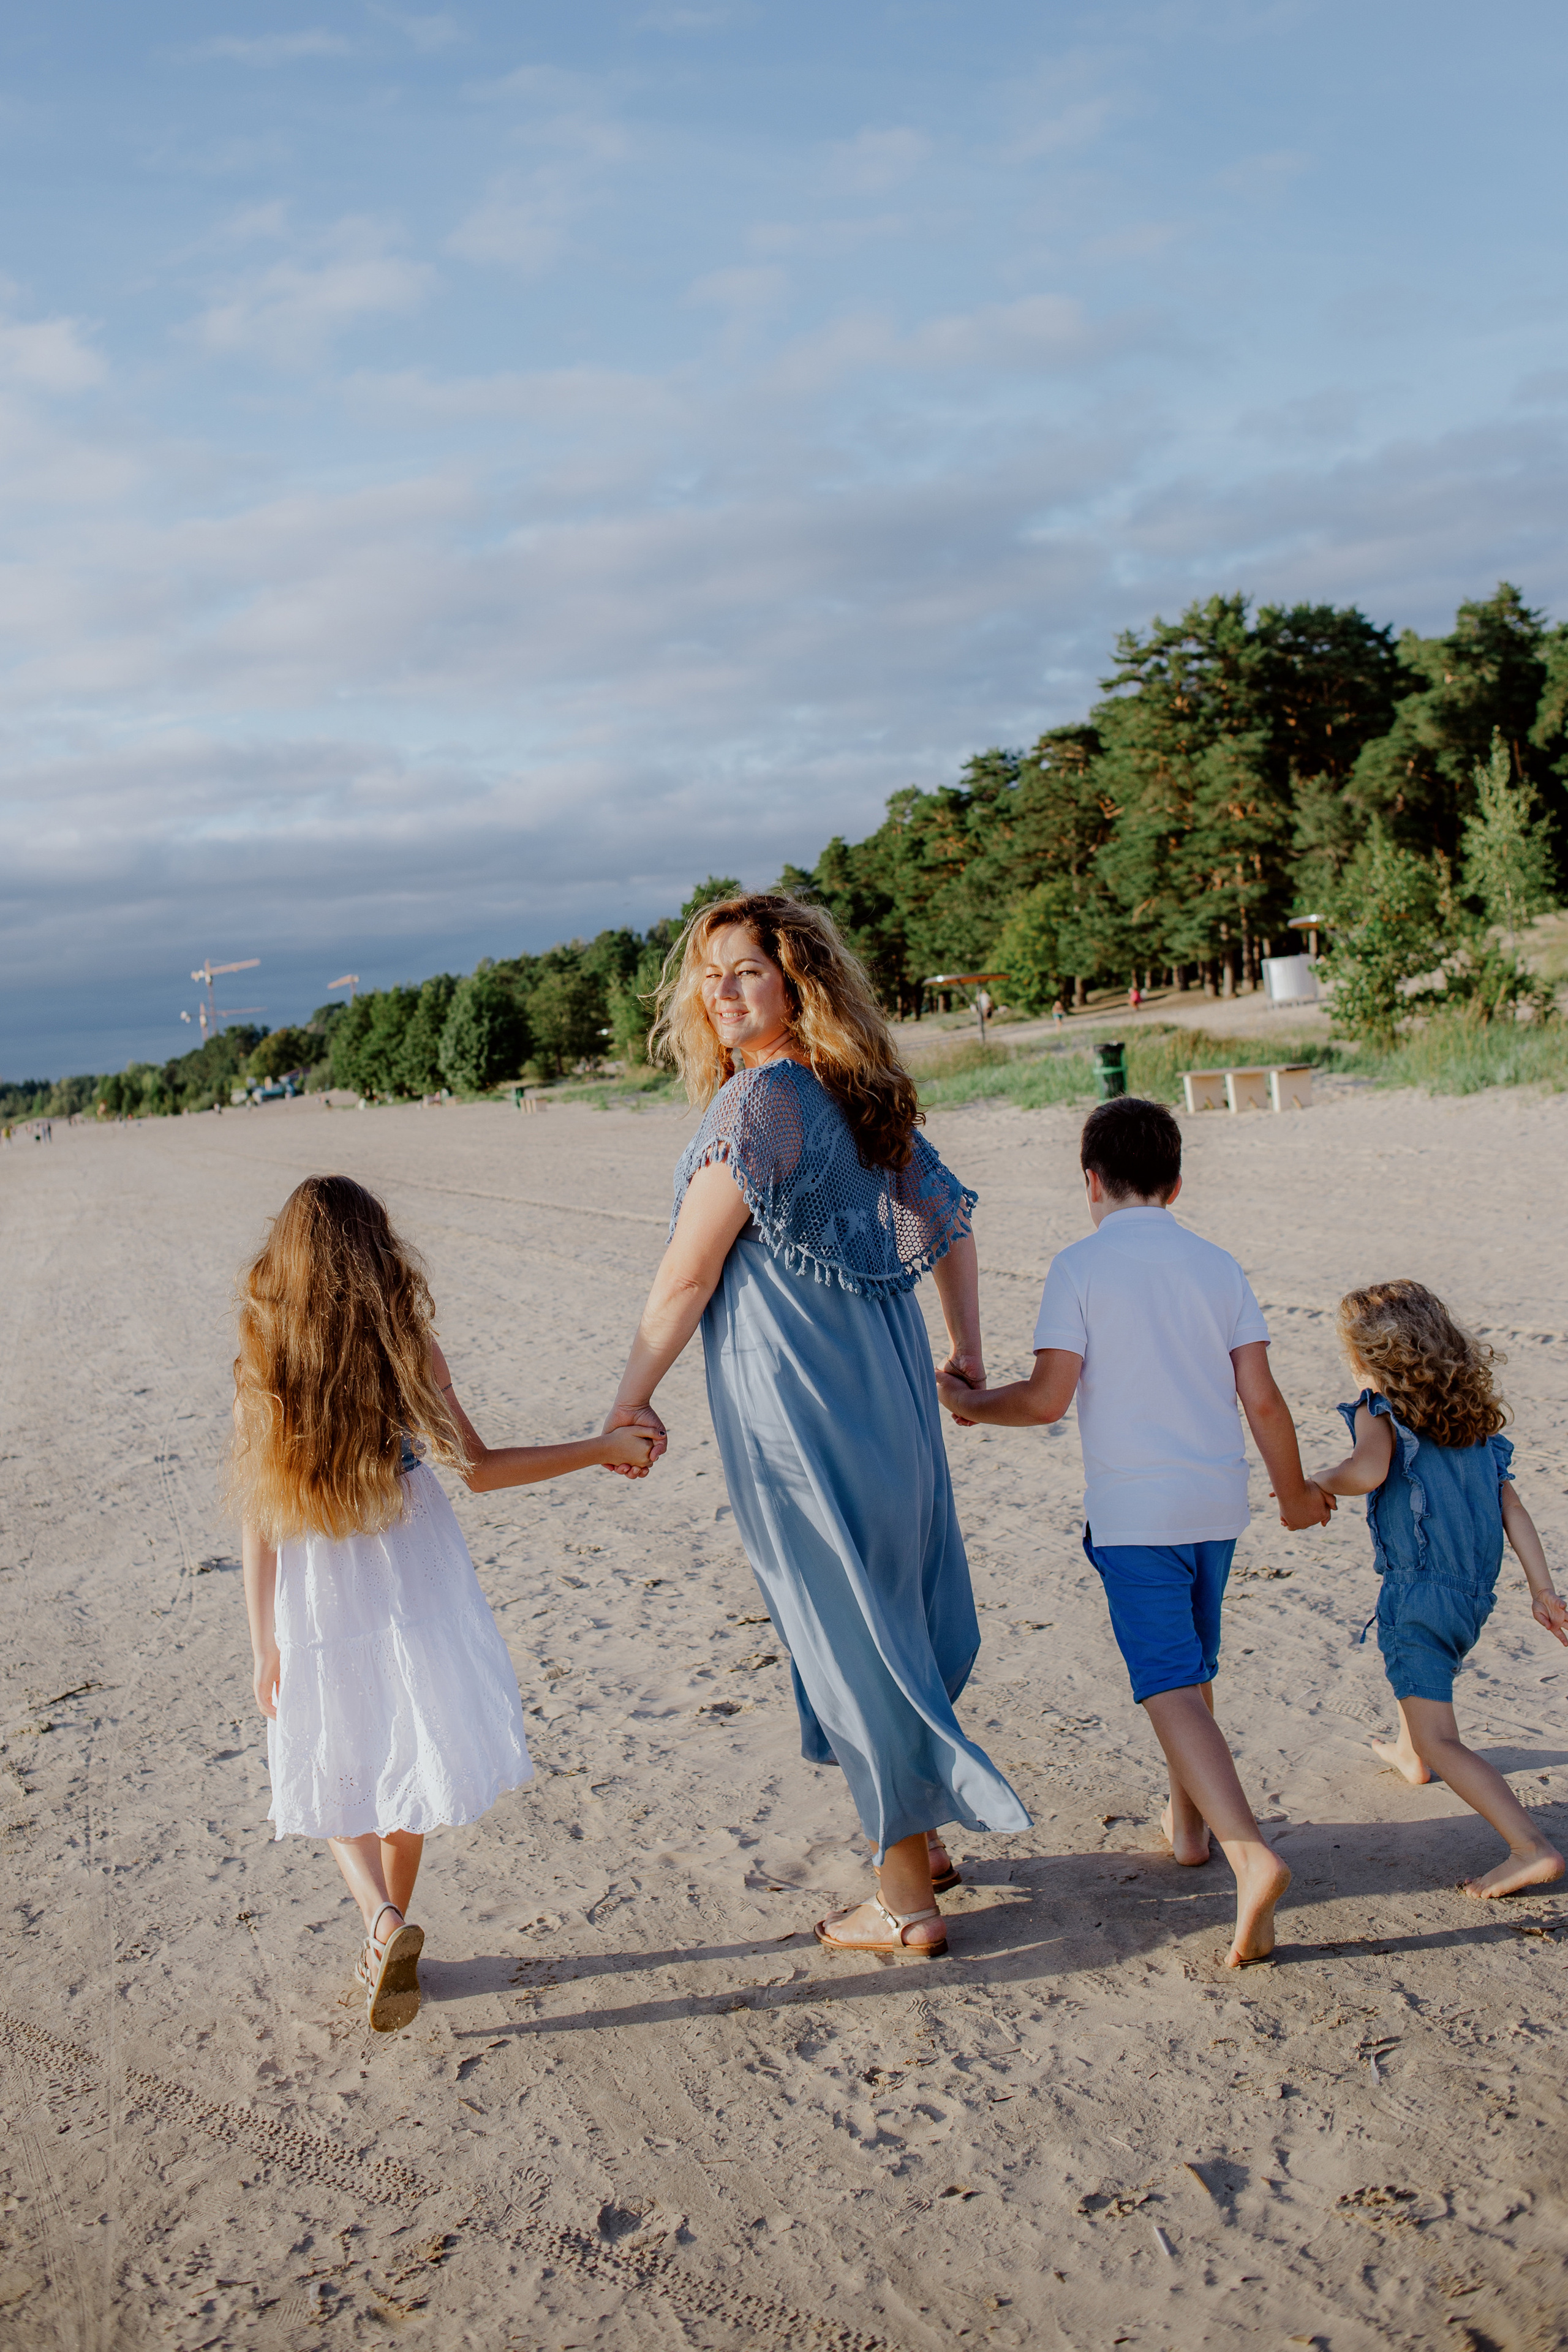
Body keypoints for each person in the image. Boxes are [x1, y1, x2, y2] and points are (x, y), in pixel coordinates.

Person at [602, 894, 1029, 1959]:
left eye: (746, 970)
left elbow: (688, 1274)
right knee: (892, 1602)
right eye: (710, 974)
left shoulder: (762, 1105)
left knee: (844, 1619)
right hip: (886, 1394)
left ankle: (904, 1904)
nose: (723, 992)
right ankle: (923, 1845)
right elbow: (954, 1222)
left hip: (797, 1398)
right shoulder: (858, 1091)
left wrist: (629, 1395)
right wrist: (966, 1348)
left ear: (797, 980)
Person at [231, 1174, 656, 2032]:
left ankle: (382, 1925)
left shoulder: (264, 1358)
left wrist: (262, 1642)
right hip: (412, 1568)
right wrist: (603, 1444)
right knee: (404, 1751)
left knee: (330, 1756)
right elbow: (482, 1468)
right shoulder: (406, 1345)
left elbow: (256, 1524)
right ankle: (389, 1935)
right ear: (377, 1254)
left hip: (319, 1583)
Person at [934, 1095, 1331, 1967]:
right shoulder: (1218, 1266)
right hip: (1216, 1507)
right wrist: (1294, 1491)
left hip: (1135, 1515)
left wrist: (967, 1402)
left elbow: (1044, 1400)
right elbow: (1261, 1398)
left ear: (1090, 1183)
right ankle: (1189, 1825)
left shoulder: (1080, 1268)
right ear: (1177, 1184)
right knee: (1193, 1669)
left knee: (1166, 1684)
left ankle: (1248, 1852)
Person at [1311, 1280, 1566, 1898]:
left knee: (1441, 1733)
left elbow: (1366, 1471)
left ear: (1366, 1359)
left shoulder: (1380, 1414)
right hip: (1472, 1594)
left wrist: (1314, 1479)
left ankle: (1527, 1847)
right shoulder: (1472, 1424)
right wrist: (1543, 1591)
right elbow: (1512, 1506)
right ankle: (1410, 1756)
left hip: (1418, 1594)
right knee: (1421, 1683)